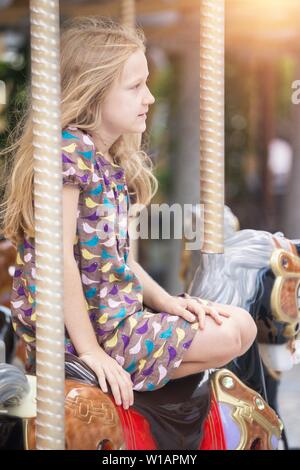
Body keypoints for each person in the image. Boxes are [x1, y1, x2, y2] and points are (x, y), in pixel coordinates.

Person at [1, 17, 257, 410]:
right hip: (96, 332)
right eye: (136, 86)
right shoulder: (71, 151)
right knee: (232, 331)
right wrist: (91, 351)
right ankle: (111, 369)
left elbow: (118, 259)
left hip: (118, 319)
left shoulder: (106, 159)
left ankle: (143, 391)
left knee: (240, 327)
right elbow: (58, 258)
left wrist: (167, 300)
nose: (149, 97)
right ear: (94, 92)